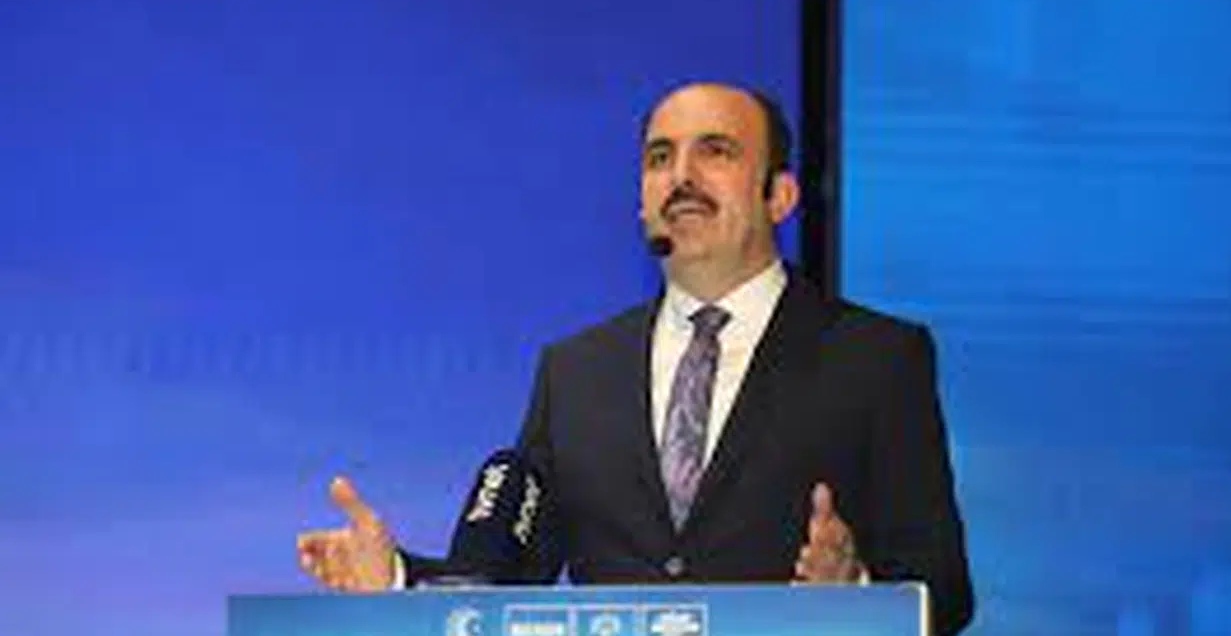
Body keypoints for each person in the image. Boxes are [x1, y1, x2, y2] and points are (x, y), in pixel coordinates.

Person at [297, 81, 975, 634]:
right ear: (642, 202)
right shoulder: (575, 371)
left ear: (780, 196)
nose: (681, 177)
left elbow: (944, 591)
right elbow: (509, 582)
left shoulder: (877, 359)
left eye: (715, 151)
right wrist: (396, 578)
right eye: (659, 158)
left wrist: (856, 593)